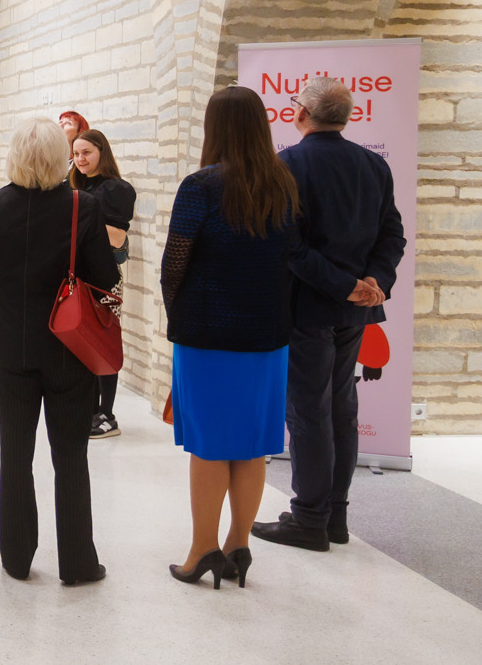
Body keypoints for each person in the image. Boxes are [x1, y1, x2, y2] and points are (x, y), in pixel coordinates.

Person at [252, 76, 405, 552]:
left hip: (308, 309)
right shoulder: (374, 165)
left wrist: (348, 285)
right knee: (341, 408)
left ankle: (309, 519)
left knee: (308, 411)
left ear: (300, 113)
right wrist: (374, 282)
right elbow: (393, 236)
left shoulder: (287, 165)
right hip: (355, 312)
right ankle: (334, 516)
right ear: (347, 116)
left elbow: (289, 247)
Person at [0, 119, 120, 585]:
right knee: (70, 454)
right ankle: (77, 563)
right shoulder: (82, 206)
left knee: (14, 452)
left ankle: (17, 558)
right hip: (69, 348)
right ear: (60, 157)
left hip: (10, 347)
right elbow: (105, 278)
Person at [160, 85, 297, 589]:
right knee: (251, 446)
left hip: (208, 336)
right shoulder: (283, 184)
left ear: (213, 128)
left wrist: (177, 315)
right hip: (268, 336)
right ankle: (239, 544)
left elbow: (175, 265)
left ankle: (203, 549)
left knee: (210, 445)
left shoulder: (200, 186)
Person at [69, 128, 136, 439]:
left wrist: (79, 220)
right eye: (76, 153)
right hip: (77, 277)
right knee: (79, 344)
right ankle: (88, 409)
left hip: (103, 280)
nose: (80, 159)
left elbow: (118, 238)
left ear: (102, 153)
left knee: (103, 345)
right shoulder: (73, 185)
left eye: (87, 153)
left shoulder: (116, 189)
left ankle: (107, 414)